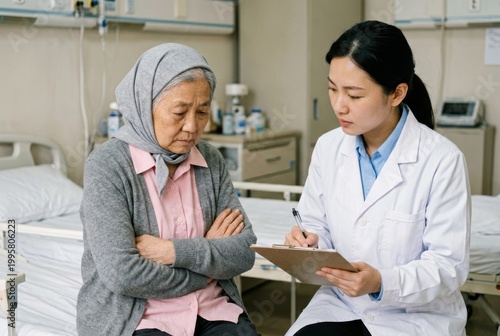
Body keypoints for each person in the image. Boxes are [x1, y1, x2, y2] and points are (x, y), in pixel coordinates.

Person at [284, 20, 471, 336]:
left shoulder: (442, 159)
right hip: (342, 305)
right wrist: (308, 243)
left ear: (397, 93)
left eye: (354, 95)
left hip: (414, 315)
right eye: (332, 89)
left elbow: (447, 266)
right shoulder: (329, 147)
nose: (339, 105)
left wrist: (382, 281)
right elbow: (316, 224)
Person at [77, 43, 260, 336]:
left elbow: (243, 253)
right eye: (179, 112)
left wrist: (173, 251)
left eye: (202, 112)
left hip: (211, 310)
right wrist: (207, 267)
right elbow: (123, 275)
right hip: (139, 318)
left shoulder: (210, 159)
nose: (192, 126)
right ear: (144, 104)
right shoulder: (108, 166)